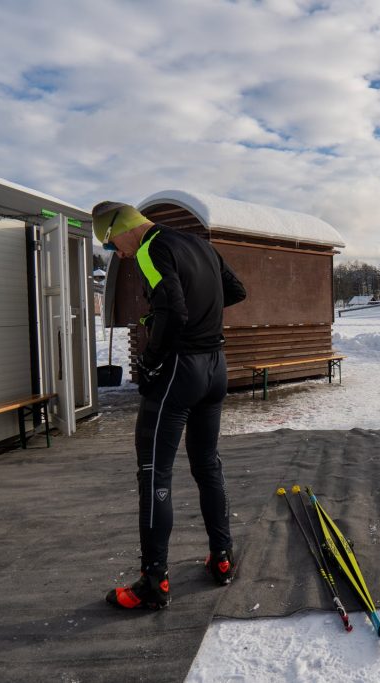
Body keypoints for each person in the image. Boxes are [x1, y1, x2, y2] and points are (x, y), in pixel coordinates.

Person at [93, 201, 247, 610]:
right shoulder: (198, 244)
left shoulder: (150, 248)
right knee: (207, 464)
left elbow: (174, 311)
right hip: (216, 368)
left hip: (180, 370)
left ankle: (153, 583)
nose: (119, 255)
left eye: (111, 246)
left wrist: (152, 359)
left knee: (154, 473)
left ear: (122, 229)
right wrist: (196, 320)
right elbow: (235, 290)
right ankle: (223, 559)